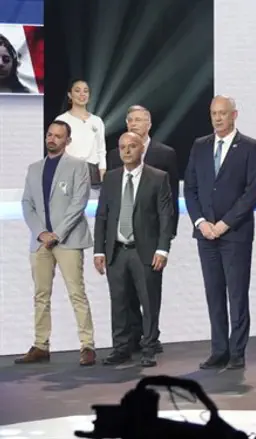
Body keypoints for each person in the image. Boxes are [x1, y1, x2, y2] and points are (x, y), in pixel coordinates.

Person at [184, 95, 256, 370]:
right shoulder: (200, 145)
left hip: (235, 234)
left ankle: (237, 353)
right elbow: (190, 188)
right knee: (214, 293)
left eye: (222, 113)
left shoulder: (251, 147)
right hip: (206, 235)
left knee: (237, 295)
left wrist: (225, 223)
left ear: (234, 115)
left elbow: (252, 191)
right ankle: (219, 349)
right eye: (213, 113)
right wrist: (201, 222)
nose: (217, 118)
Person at [16, 120, 97, 366]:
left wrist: (57, 234)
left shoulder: (78, 166)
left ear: (67, 141)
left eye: (58, 136)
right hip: (40, 243)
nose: (52, 139)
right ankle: (41, 345)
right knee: (41, 294)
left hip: (68, 240)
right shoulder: (33, 168)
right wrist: (42, 233)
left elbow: (78, 203)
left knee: (76, 293)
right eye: (50, 135)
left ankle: (87, 345)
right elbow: (27, 204)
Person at [93, 132, 174, 368]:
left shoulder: (158, 178)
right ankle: (121, 348)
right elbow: (102, 217)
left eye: (132, 146)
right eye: (122, 147)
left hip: (146, 251)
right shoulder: (111, 178)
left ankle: (148, 348)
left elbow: (165, 217)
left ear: (141, 150)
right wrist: (99, 250)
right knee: (119, 302)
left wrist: (162, 249)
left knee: (149, 303)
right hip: (117, 252)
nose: (126, 151)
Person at [107, 105, 180, 354]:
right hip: (119, 243)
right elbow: (107, 207)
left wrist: (165, 240)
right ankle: (129, 343)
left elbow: (170, 204)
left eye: (139, 119)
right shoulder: (114, 158)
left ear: (149, 124)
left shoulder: (164, 155)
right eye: (130, 120)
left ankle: (150, 342)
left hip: (149, 241)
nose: (133, 123)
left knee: (148, 297)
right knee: (122, 299)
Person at [55, 79, 107, 184]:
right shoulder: (62, 120)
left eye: (86, 91)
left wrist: (102, 175)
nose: (82, 94)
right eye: (77, 91)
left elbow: (101, 150)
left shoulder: (97, 121)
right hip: (70, 170)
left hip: (92, 171)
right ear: (70, 95)